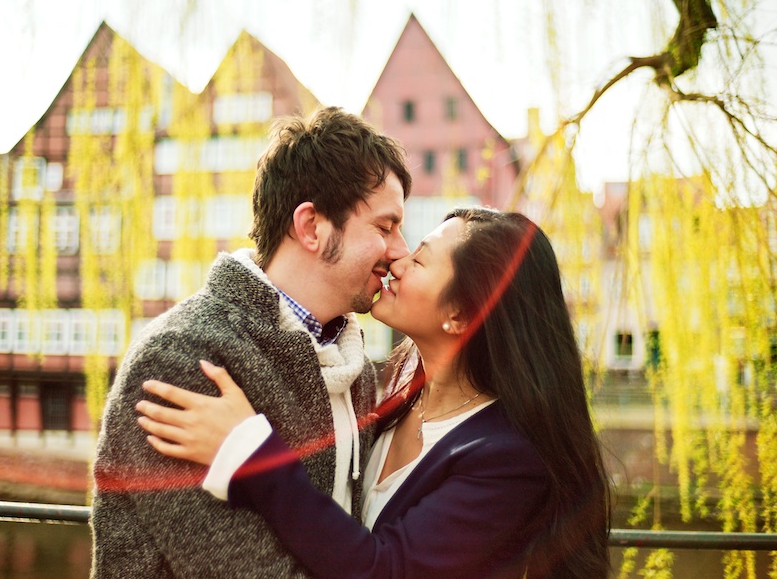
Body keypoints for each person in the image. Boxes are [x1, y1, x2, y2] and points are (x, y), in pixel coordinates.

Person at [137, 207, 613, 578]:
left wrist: (254, 455)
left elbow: (385, 570)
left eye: (420, 259)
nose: (398, 260)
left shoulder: (507, 458)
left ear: (462, 315)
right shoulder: (386, 394)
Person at [90, 106, 412, 578]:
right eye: (385, 227)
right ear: (311, 228)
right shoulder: (183, 358)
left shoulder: (356, 372)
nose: (401, 249)